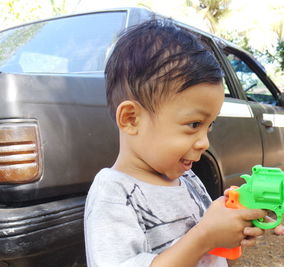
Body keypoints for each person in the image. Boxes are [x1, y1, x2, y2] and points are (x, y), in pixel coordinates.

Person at [84, 19, 267, 267]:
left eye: (209, 126)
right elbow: (198, 242)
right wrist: (205, 236)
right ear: (131, 119)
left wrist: (226, 234)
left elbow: (208, 256)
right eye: (194, 125)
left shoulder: (188, 180)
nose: (204, 142)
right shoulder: (114, 192)